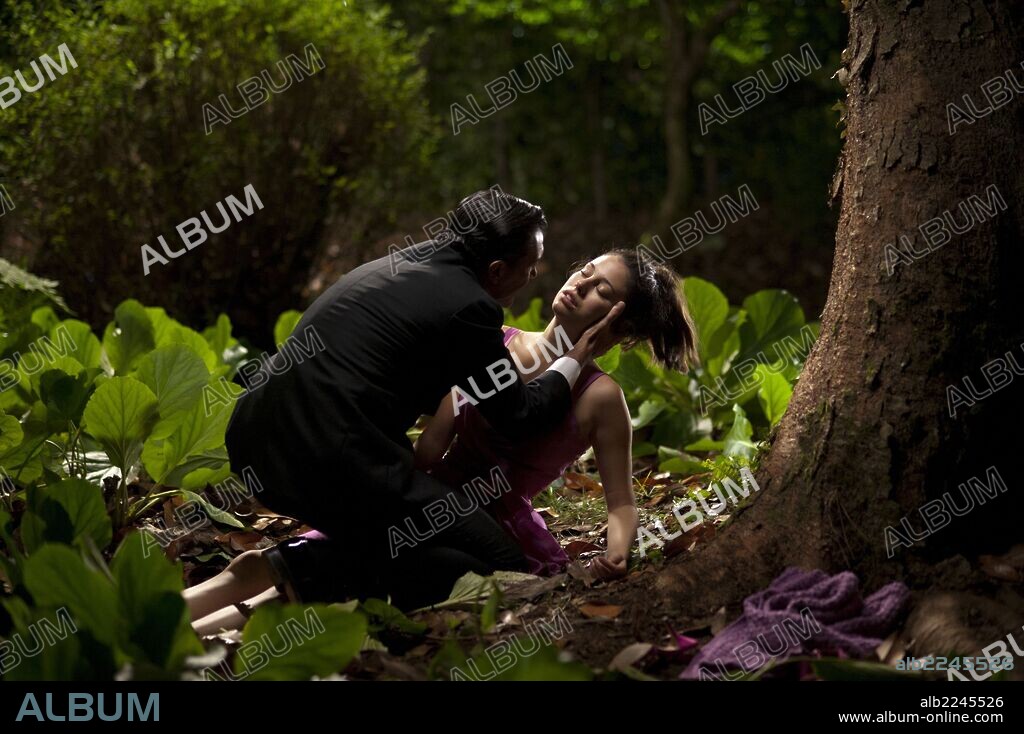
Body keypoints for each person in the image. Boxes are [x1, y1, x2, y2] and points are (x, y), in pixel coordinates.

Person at [184, 248, 695, 635]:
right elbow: (429, 452)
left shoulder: (601, 398)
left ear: (621, 323)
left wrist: (617, 553)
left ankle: (189, 638)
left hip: (494, 529)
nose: (579, 285)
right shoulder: (492, 341)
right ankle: (168, 624)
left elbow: (621, 501)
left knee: (340, 568)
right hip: (426, 495)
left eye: (601, 289)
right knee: (297, 559)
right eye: (585, 271)